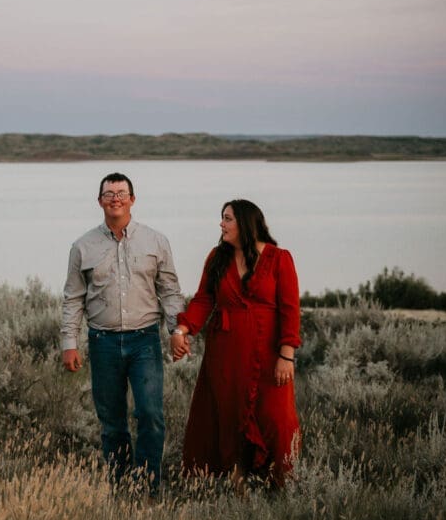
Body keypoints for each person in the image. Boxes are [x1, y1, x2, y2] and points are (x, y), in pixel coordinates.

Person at [61, 172, 185, 490]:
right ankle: (120, 488)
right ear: (99, 201)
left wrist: (177, 331)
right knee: (112, 423)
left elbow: (170, 291)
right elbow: (73, 298)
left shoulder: (156, 241)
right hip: (102, 342)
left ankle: (147, 487)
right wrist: (69, 342)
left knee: (150, 415)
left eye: (121, 193)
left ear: (132, 199)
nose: (115, 199)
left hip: (145, 341)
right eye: (109, 194)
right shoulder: (82, 246)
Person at [171, 198, 301, 487]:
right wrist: (182, 329)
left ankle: (280, 485)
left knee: (276, 418)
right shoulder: (217, 257)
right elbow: (203, 300)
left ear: (245, 223)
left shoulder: (279, 258)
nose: (221, 224)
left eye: (227, 218)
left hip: (269, 353)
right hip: (225, 352)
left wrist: (287, 355)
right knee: (228, 417)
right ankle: (236, 483)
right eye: (222, 218)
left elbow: (290, 309)